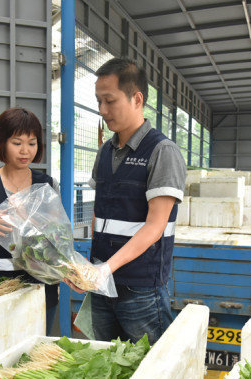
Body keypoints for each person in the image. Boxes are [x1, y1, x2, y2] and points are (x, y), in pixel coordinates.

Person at [67, 57, 186, 345]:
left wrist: (107, 267)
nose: (102, 110)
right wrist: (90, 269)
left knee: (149, 368)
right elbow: (101, 215)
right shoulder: (105, 151)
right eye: (98, 101)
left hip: (140, 290)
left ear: (137, 98)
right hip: (102, 286)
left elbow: (155, 227)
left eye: (110, 101)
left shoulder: (162, 151)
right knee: (105, 364)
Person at [0, 107, 59, 335]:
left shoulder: (47, 186)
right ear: (2, 143)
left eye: (32, 143)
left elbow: (57, 242)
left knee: (34, 354)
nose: (26, 151)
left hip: (39, 289)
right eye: (17, 143)